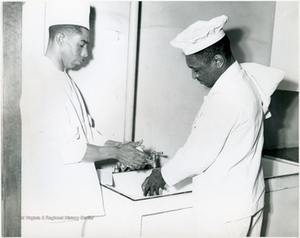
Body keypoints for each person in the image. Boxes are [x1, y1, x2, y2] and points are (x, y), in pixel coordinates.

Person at [142, 15, 285, 237]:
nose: (193, 76)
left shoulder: (227, 97)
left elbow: (199, 154)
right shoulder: (246, 82)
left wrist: (162, 174)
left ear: (218, 61)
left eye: (197, 69)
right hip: (245, 202)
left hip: (224, 210)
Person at [21, 2, 150, 237]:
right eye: (82, 44)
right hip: (51, 204)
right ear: (61, 39)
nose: (86, 53)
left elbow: (86, 133)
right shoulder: (39, 81)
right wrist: (117, 154)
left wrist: (119, 146)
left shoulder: (63, 79)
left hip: (68, 200)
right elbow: (69, 149)